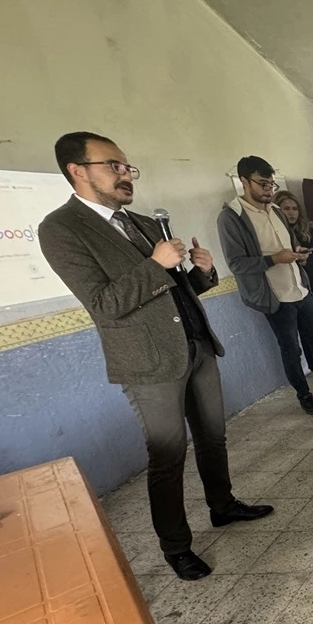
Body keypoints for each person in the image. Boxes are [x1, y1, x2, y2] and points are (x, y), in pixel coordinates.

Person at [39, 132, 272, 581]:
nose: (126, 174)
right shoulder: (61, 229)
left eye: (127, 166)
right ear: (77, 170)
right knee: (168, 454)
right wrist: (155, 264)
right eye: (113, 166)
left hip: (196, 344)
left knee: (213, 437)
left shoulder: (144, 223)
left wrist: (202, 273)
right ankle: (176, 546)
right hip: (147, 362)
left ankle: (222, 505)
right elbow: (104, 304)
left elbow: (175, 290)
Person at [217, 156, 313, 416]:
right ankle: (304, 395)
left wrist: (298, 254)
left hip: (300, 289)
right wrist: (274, 259)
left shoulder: (277, 211)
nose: (269, 189)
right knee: (291, 349)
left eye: (271, 184)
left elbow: (289, 245)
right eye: (263, 183)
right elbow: (236, 264)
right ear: (244, 181)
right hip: (275, 297)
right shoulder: (231, 218)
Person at [274, 190, 313, 336]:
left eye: (295, 209)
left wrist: (306, 260)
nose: (291, 213)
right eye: (286, 209)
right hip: (290, 287)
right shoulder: (275, 234)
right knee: (304, 332)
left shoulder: (309, 230)